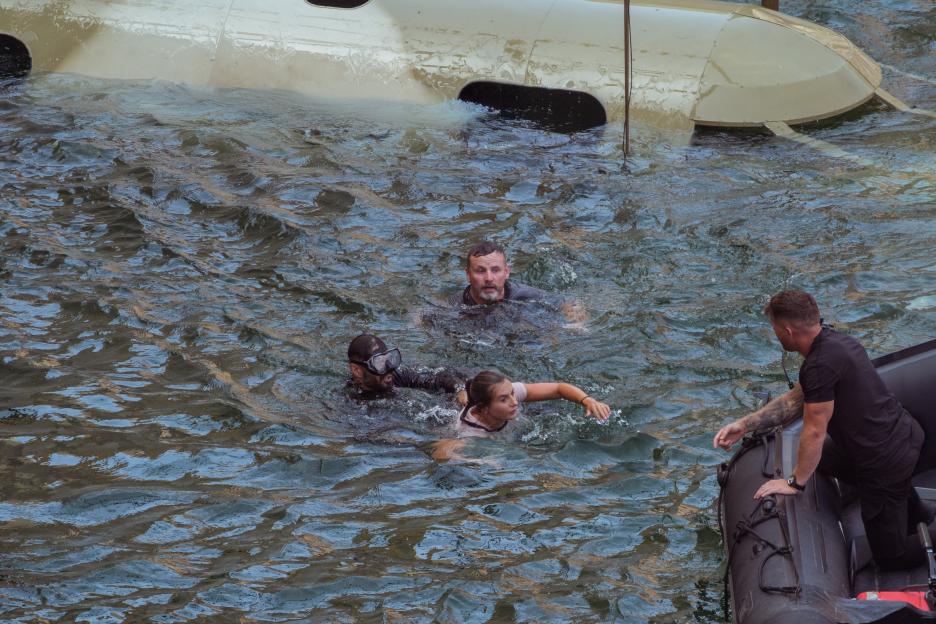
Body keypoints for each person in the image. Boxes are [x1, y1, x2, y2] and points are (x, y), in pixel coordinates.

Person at [713, 290, 928, 571]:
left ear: (788, 331)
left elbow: (814, 431)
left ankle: (904, 519)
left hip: (885, 460)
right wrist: (744, 425)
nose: (775, 334)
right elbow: (792, 402)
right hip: (902, 434)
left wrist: (794, 483)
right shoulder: (835, 342)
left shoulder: (818, 366)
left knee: (890, 558)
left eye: (775, 328)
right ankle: (913, 511)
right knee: (825, 458)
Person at [433, 369, 610, 459]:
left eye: (512, 393)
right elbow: (441, 453)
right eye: (504, 399)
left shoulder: (510, 393)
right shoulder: (470, 433)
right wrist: (480, 461)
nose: (514, 401)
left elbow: (558, 388)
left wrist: (588, 400)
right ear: (484, 408)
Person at [449, 241, 586, 323]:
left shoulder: (524, 295)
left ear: (506, 272)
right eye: (480, 271)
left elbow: (572, 302)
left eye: (496, 270)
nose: (489, 278)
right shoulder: (456, 304)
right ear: (468, 274)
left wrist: (575, 325)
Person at [347, 333, 467, 398]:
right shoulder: (352, 401)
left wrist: (460, 390)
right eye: (378, 363)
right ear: (356, 370)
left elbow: (438, 380)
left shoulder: (399, 376)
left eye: (388, 359)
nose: (389, 369)